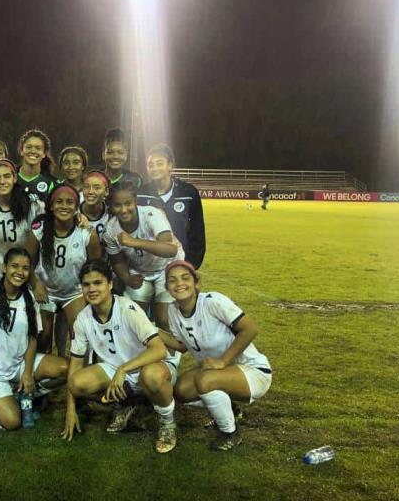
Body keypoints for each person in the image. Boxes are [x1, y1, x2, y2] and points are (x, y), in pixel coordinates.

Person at [62, 259, 178, 453]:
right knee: (77, 383)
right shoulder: (82, 319)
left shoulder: (127, 308)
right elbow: (75, 366)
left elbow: (159, 349)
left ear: (110, 284)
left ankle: (167, 423)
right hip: (118, 370)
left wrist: (123, 369)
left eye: (98, 283)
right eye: (86, 284)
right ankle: (127, 402)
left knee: (150, 376)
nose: (92, 289)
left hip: (154, 366)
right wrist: (70, 409)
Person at [158, 260, 273, 451]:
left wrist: (223, 361)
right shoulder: (172, 310)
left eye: (185, 278)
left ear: (197, 284)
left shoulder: (213, 301)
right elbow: (181, 346)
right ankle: (230, 409)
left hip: (253, 371)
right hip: (220, 373)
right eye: (172, 280)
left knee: (205, 380)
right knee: (180, 390)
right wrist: (149, 330)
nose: (179, 283)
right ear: (167, 288)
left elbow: (250, 329)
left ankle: (230, 433)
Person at [0, 248, 68, 430]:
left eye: (25, 268)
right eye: (14, 266)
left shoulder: (30, 300)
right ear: (4, 267)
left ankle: (25, 394)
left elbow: (32, 340)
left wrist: (27, 373)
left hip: (19, 364)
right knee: (12, 422)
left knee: (66, 369)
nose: (20, 272)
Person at [25, 184, 102, 357]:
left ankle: (75, 369)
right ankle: (43, 372)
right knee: (43, 336)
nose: (64, 206)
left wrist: (87, 292)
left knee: (79, 335)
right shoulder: (39, 230)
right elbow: (26, 262)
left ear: (76, 207)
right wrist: (35, 283)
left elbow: (96, 268)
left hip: (73, 292)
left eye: (70, 202)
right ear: (51, 206)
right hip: (45, 289)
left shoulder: (87, 234)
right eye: (59, 202)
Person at [104, 180, 182, 332]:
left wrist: (135, 242)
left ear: (135, 202)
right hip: (140, 270)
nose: (123, 209)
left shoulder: (152, 214)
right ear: (111, 206)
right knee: (134, 318)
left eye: (128, 203)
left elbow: (170, 249)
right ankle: (143, 351)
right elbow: (117, 260)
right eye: (117, 205)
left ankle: (169, 356)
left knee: (164, 320)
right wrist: (126, 278)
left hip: (168, 267)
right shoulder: (111, 229)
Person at [137, 143, 206, 268]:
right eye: (150, 165)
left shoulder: (189, 193)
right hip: (149, 267)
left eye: (159, 163)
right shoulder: (140, 195)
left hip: (180, 264)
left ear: (170, 165)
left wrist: (190, 264)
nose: (154, 168)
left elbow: (197, 233)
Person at [0, 159, 41, 284]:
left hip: (24, 273)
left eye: (7, 176)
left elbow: (37, 244)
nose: (2, 181)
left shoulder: (31, 206)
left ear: (14, 178)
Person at [16, 129, 57, 204]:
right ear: (21, 151)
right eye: (28, 147)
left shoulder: (52, 183)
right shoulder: (10, 177)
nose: (33, 151)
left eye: (38, 148)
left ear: (44, 153)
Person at [80, 171, 111, 245]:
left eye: (97, 188)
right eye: (86, 187)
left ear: (106, 191)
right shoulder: (73, 210)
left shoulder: (112, 212)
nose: (90, 192)